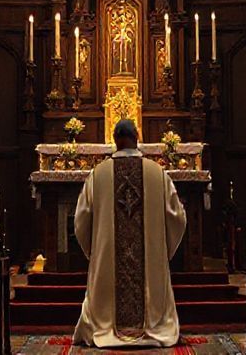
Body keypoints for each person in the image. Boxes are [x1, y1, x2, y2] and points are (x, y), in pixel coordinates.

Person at [72, 119, 187, 348]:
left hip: (107, 267)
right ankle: (153, 327)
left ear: (115, 139)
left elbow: (81, 219)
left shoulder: (98, 174)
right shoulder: (158, 173)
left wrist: (95, 253)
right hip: (149, 267)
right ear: (137, 137)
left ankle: (104, 327)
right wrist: (162, 250)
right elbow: (177, 217)